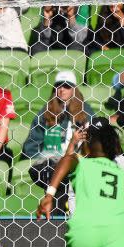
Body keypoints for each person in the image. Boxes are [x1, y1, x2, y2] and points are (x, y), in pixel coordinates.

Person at [22, 71, 93, 213]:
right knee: (51, 170)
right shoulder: (46, 111)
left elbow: (92, 140)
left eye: (66, 86)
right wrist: (43, 156)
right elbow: (32, 143)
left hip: (76, 161)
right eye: (58, 86)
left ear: (74, 89)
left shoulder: (86, 111)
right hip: (51, 162)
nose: (62, 89)